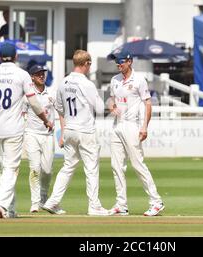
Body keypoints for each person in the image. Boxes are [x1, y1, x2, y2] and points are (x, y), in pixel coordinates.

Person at [0, 43, 53, 219]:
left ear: (0, 57)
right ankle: (1, 203)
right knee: (11, 169)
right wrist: (45, 120)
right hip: (13, 129)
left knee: (4, 168)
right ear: (16, 57)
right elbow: (34, 101)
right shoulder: (22, 75)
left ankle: (10, 210)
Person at [41, 49, 108, 216]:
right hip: (85, 130)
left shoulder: (63, 82)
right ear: (85, 64)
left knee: (67, 167)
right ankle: (94, 206)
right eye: (89, 64)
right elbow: (100, 108)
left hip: (69, 129)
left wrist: (63, 130)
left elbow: (60, 108)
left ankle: (53, 201)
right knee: (91, 168)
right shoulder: (87, 84)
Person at [107, 50, 164, 216]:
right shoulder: (114, 80)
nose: (119, 64)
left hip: (133, 126)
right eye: (117, 62)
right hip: (117, 125)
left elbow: (148, 104)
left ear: (130, 61)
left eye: (122, 61)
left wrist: (144, 127)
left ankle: (156, 201)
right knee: (116, 166)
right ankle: (121, 204)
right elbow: (111, 99)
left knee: (138, 165)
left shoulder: (139, 80)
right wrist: (111, 106)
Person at [22, 65, 56, 213]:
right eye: (38, 74)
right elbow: (22, 115)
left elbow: (60, 111)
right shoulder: (27, 95)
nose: (42, 76)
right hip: (32, 134)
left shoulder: (52, 92)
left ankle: (43, 197)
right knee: (35, 168)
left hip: (48, 135)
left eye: (43, 73)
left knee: (47, 170)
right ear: (32, 77)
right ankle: (35, 202)